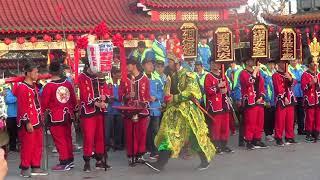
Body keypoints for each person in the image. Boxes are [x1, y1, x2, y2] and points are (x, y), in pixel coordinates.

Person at [145, 53, 215, 173]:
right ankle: (160, 163)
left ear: (177, 62)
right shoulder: (170, 76)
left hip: (188, 112)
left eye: (170, 61)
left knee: (195, 137)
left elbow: (191, 91)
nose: (168, 64)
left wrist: (175, 97)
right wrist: (166, 102)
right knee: (169, 135)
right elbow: (167, 93)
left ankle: (205, 160)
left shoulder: (189, 74)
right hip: (174, 112)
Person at [41, 62, 77, 171]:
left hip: (56, 117)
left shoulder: (49, 86)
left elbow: (44, 104)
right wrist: (75, 112)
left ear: (50, 71)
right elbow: (73, 100)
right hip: (68, 115)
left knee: (60, 139)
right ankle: (70, 160)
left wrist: (42, 116)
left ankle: (64, 161)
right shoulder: (67, 83)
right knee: (67, 138)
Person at [78, 59, 112, 172]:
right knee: (88, 137)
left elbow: (106, 90)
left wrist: (105, 98)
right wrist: (96, 103)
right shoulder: (82, 77)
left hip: (100, 111)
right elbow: (83, 94)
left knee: (100, 136)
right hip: (88, 111)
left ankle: (99, 160)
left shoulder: (99, 76)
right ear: (89, 66)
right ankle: (87, 162)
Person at [15, 61, 48, 177]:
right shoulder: (22, 88)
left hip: (38, 119)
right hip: (29, 121)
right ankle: (24, 168)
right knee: (28, 145)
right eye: (35, 72)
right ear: (28, 73)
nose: (37, 74)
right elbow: (22, 107)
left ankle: (36, 166)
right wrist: (27, 122)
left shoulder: (34, 86)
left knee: (38, 145)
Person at [119, 59, 151, 165]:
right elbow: (120, 95)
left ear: (134, 65)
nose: (127, 67)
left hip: (142, 111)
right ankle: (131, 155)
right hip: (129, 111)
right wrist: (128, 96)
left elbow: (147, 95)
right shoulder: (124, 79)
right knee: (130, 134)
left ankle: (140, 154)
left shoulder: (145, 79)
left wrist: (143, 103)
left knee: (142, 133)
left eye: (128, 65)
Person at [204, 59, 234, 154]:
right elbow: (208, 90)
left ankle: (224, 144)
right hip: (215, 105)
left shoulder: (223, 75)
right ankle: (215, 145)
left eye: (217, 63)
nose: (215, 65)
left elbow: (227, 87)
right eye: (213, 63)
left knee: (225, 125)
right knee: (216, 127)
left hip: (224, 103)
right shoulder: (208, 76)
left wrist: (226, 89)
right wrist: (218, 87)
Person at [239, 58, 267, 150]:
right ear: (247, 62)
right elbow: (249, 82)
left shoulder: (258, 72)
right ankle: (249, 140)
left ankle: (257, 139)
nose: (253, 62)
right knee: (251, 121)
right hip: (250, 100)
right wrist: (255, 72)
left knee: (260, 121)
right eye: (251, 60)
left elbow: (262, 85)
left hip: (259, 100)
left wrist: (262, 97)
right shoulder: (243, 73)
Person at [142, 55, 164, 160]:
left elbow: (162, 92)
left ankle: (154, 150)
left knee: (155, 130)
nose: (151, 66)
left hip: (155, 108)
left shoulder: (157, 78)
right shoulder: (141, 78)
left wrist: (156, 97)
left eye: (152, 64)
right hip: (145, 108)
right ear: (143, 66)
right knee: (145, 130)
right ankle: (145, 149)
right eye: (148, 64)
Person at [272, 61, 297, 146]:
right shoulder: (276, 75)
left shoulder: (288, 73)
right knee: (280, 120)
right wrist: (284, 97)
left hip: (290, 98)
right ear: (279, 64)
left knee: (290, 120)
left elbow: (294, 83)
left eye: (286, 63)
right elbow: (278, 88)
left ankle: (289, 136)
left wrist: (289, 78)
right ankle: (278, 137)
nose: (285, 65)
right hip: (281, 100)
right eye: (283, 63)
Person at [301, 57, 320, 143]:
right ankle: (308, 134)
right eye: (312, 62)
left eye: (316, 62)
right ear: (309, 64)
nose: (315, 64)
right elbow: (303, 87)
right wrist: (311, 83)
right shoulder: (305, 74)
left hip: (318, 98)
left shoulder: (318, 74)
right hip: (309, 99)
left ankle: (316, 133)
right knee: (310, 117)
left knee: (318, 117)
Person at [105, 68, 124, 151]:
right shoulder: (108, 83)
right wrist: (108, 98)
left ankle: (118, 144)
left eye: (120, 73)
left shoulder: (121, 83)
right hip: (110, 108)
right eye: (118, 73)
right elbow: (106, 94)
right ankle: (107, 145)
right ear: (113, 74)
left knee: (119, 128)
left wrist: (116, 97)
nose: (120, 75)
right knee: (108, 128)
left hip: (119, 108)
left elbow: (123, 95)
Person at [226, 62, 243, 144]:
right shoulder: (228, 71)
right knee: (232, 111)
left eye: (232, 63)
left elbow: (240, 84)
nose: (231, 65)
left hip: (238, 93)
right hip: (231, 93)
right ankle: (234, 128)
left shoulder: (240, 70)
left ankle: (241, 130)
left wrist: (239, 97)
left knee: (241, 113)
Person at [288, 59, 305, 135]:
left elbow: (304, 77)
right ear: (289, 61)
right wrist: (298, 80)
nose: (294, 62)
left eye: (295, 61)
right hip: (293, 94)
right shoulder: (288, 69)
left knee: (301, 113)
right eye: (292, 61)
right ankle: (290, 131)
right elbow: (294, 79)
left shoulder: (301, 68)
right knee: (293, 115)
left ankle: (301, 129)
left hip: (301, 93)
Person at [260, 60, 276, 142]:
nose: (271, 66)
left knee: (273, 117)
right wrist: (267, 100)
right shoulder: (264, 74)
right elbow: (265, 88)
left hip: (275, 99)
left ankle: (272, 132)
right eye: (270, 64)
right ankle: (268, 134)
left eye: (273, 64)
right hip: (268, 100)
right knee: (268, 118)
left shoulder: (274, 73)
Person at [3, 84, 18, 152]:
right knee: (11, 132)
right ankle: (12, 147)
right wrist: (17, 97)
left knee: (16, 132)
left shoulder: (16, 90)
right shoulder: (7, 90)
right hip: (10, 115)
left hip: (17, 115)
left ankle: (14, 146)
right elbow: (8, 100)